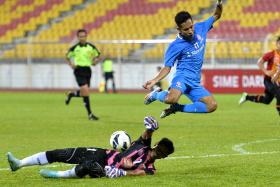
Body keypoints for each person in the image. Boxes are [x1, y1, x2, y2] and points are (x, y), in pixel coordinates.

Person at [7, 116, 174, 179]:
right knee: (60, 153)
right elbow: (147, 134)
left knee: (86, 167)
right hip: (101, 153)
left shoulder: (151, 169)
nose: (159, 153)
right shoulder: (142, 146)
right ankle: (19, 163)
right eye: (159, 149)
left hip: (107, 169)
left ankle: (57, 175)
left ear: (165, 157)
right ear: (156, 145)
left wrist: (122, 173)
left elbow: (139, 172)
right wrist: (151, 127)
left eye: (163, 154)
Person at [143, 0, 223, 118]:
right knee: (172, 98)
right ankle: (156, 95)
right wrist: (154, 80)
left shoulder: (201, 28)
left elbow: (217, 15)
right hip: (183, 78)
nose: (190, 31)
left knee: (211, 105)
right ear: (179, 30)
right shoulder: (175, 46)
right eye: (186, 29)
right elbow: (167, 67)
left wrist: (219, 3)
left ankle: (177, 108)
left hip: (195, 81)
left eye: (191, 27)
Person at [239, 36, 280, 116]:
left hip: (277, 81)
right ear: (277, 44)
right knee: (279, 93)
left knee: (266, 100)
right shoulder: (272, 54)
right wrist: (266, 72)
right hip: (269, 81)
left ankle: (247, 97)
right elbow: (259, 62)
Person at [65, 29, 101, 121]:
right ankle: (90, 114)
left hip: (88, 70)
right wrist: (71, 64)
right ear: (78, 37)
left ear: (86, 36)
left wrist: (95, 61)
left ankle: (71, 94)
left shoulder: (91, 47)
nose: (82, 38)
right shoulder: (74, 48)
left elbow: (98, 55)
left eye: (83, 36)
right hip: (78, 70)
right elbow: (67, 56)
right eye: (80, 36)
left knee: (85, 92)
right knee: (85, 90)